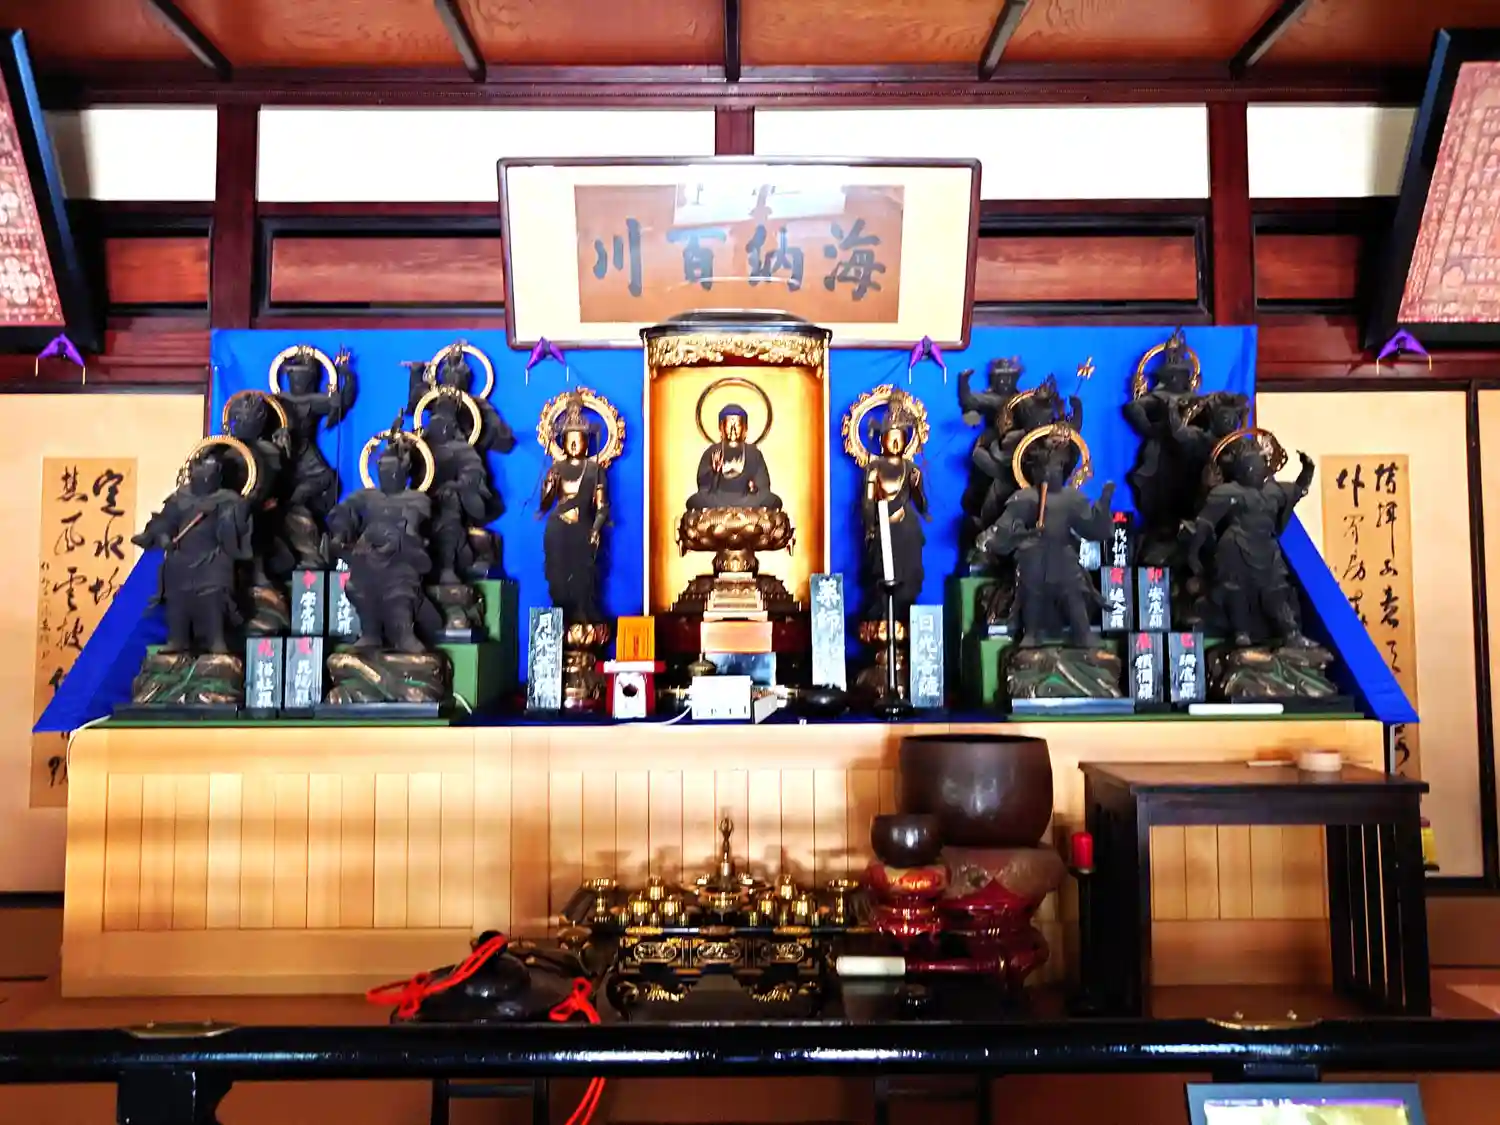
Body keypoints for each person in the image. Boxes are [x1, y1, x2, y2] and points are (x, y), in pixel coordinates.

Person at [685, 404, 782, 510]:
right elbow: (703, 487)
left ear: (745, 428)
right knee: (694, 501)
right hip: (718, 499)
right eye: (728, 425)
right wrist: (714, 472)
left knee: (773, 500)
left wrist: (754, 488)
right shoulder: (712, 451)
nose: (733, 429)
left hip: (747, 499)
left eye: (738, 425)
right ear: (721, 428)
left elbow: (764, 486)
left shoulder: (753, 453)